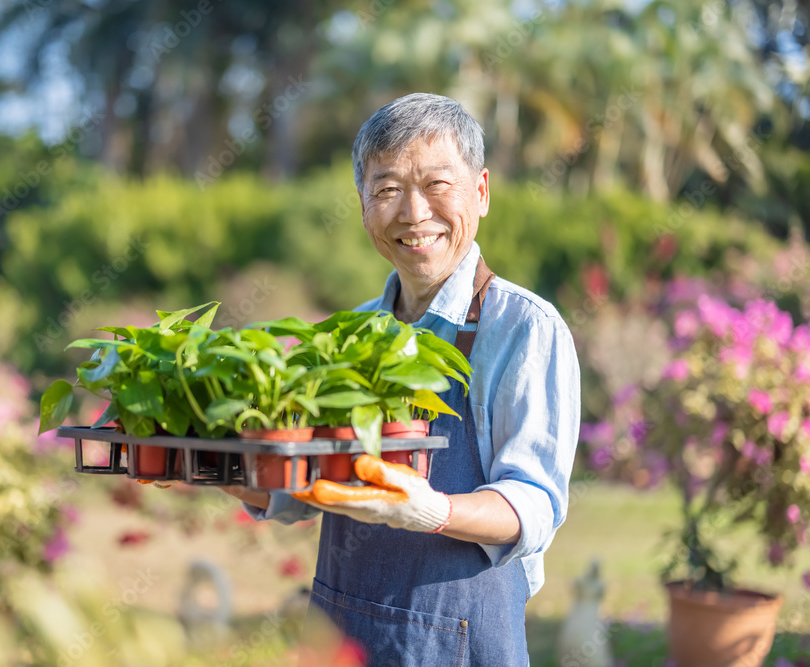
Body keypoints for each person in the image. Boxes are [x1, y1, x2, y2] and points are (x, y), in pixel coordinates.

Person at [222, 92, 581, 666]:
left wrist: (433, 510)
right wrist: (215, 466)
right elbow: (305, 487)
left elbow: (533, 504)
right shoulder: (351, 334)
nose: (413, 213)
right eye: (387, 190)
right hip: (342, 630)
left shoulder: (523, 329)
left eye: (438, 185)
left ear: (482, 192)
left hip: (461, 639)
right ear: (363, 204)